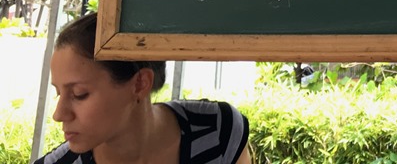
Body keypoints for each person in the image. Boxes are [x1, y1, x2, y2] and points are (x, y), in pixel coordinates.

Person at [33, 12, 251, 164]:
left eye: (79, 94)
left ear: (140, 84)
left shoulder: (218, 131)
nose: (59, 114)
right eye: (59, 93)